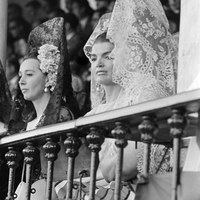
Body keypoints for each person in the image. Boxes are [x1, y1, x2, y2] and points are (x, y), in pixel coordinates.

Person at [83, 0, 177, 198]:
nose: (101, 63)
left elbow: (121, 167)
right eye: (94, 58)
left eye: (111, 54)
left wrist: (107, 165)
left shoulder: (149, 92)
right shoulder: (133, 95)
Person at [11, 17, 90, 200]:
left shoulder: (61, 115)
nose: (21, 81)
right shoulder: (27, 122)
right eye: (20, 75)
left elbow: (66, 173)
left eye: (29, 75)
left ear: (48, 77)